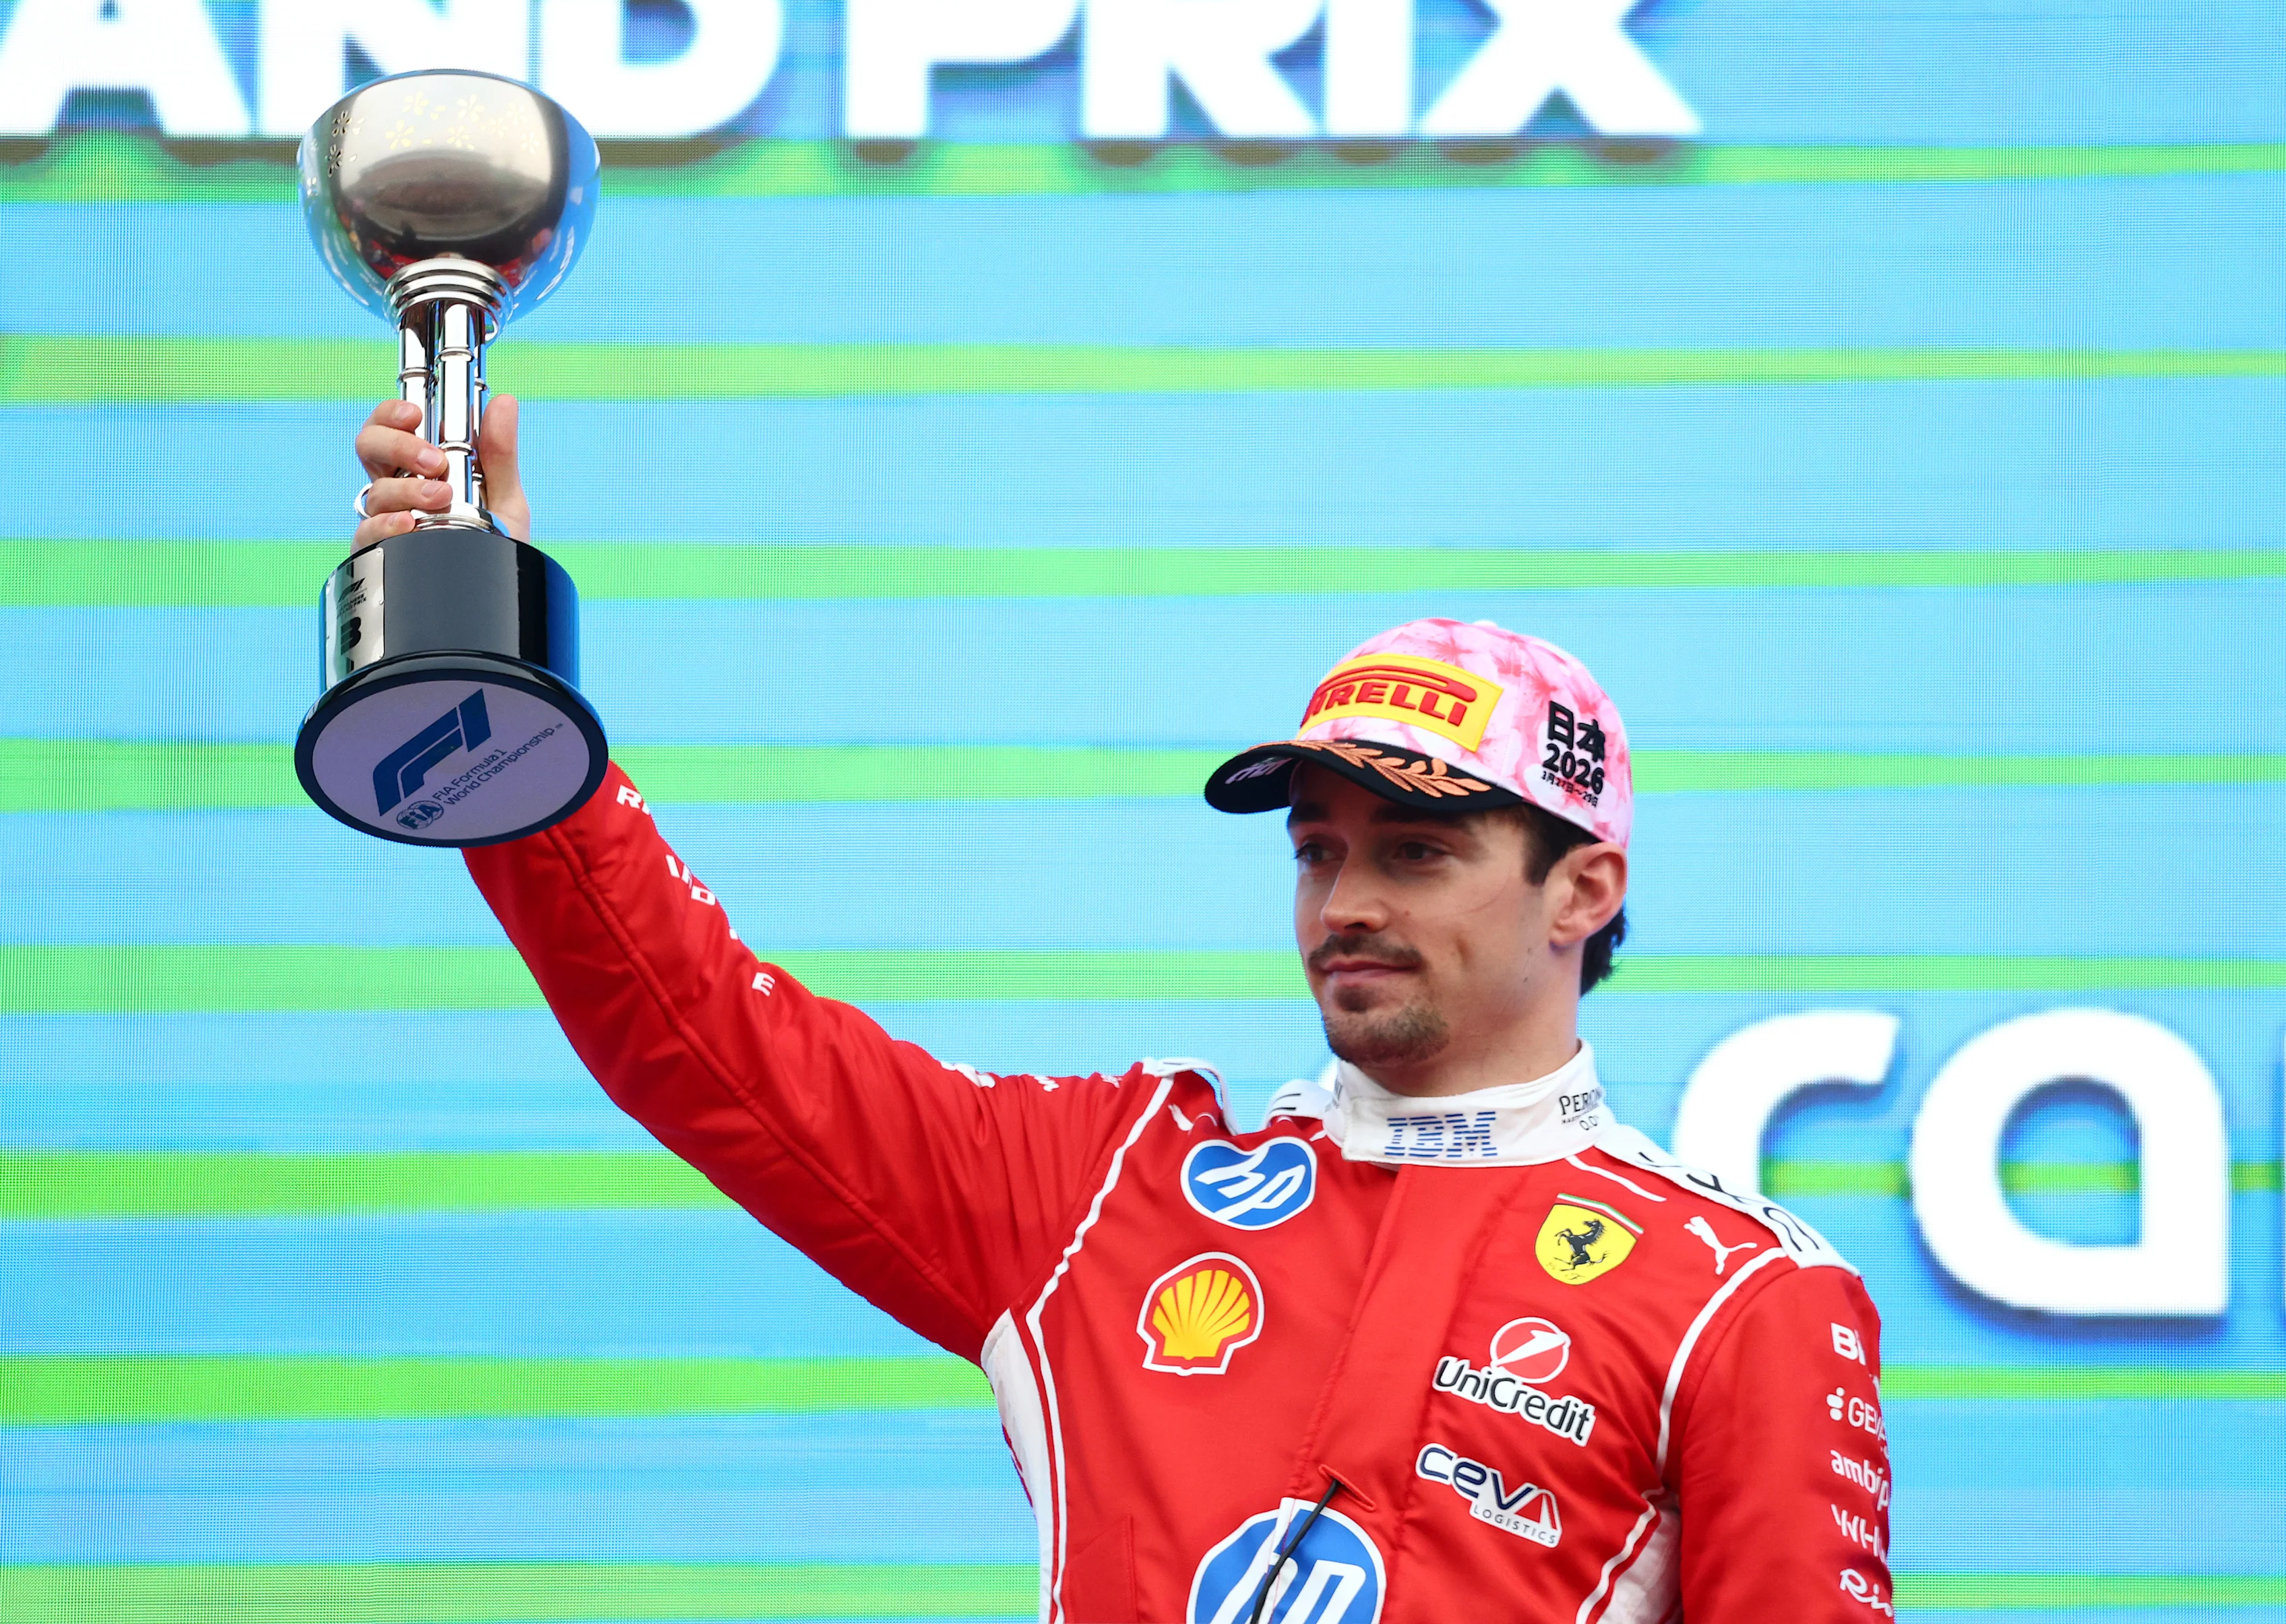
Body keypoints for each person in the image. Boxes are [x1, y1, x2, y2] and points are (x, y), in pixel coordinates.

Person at [349, 400, 1896, 1623]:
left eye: (1418, 851)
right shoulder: (1110, 1185)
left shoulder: (1742, 1297)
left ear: (1585, 889)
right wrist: (486, 679)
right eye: (1318, 851)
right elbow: (701, 1036)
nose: (1345, 898)